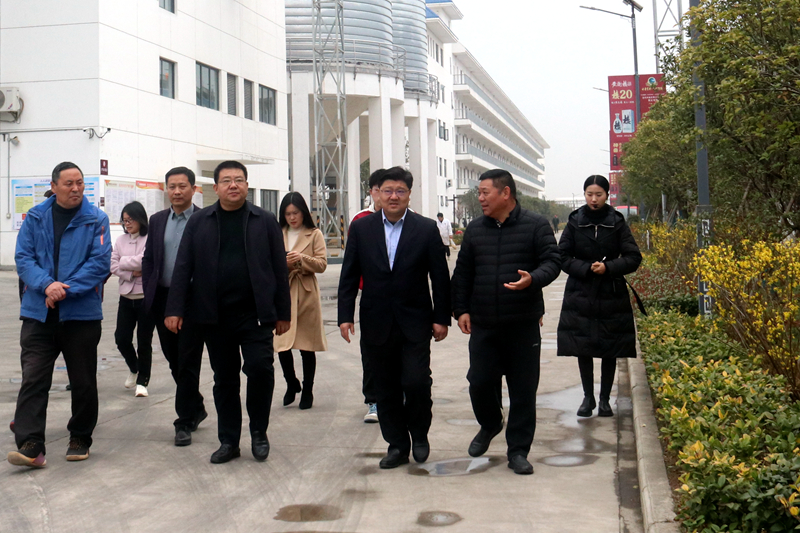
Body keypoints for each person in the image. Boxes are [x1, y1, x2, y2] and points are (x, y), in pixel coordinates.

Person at [165, 160, 291, 464]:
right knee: (224, 379)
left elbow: (278, 267)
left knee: (260, 369)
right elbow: (183, 266)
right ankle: (229, 441)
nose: (233, 185)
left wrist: (283, 312)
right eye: (226, 181)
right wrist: (175, 308)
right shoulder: (200, 222)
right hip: (214, 315)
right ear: (216, 187)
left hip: (256, 315)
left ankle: (258, 433)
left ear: (247, 185)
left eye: (239, 180)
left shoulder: (264, 221)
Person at [338, 166, 451, 469]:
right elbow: (349, 275)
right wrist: (345, 315)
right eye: (387, 190)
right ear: (377, 194)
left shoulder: (425, 229)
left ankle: (420, 434)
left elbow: (440, 278)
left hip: (416, 321)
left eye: (400, 191)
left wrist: (441, 318)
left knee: (416, 382)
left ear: (409, 195)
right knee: (385, 387)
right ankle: (397, 445)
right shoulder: (362, 229)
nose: (393, 196)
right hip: (376, 321)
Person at [451, 169, 560, 475]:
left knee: (523, 390)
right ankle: (490, 423)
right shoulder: (475, 230)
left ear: (505, 193)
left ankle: (518, 451)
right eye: (479, 193)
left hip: (522, 323)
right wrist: (461, 309)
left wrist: (533, 279)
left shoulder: (536, 225)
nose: (480, 198)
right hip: (484, 323)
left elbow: (553, 262)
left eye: (485, 192)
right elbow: (463, 273)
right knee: (479, 382)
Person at [8, 161, 111, 467]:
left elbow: (99, 263)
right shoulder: (35, 217)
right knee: (34, 379)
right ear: (53, 187)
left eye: (80, 183)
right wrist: (46, 285)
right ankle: (31, 444)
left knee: (83, 381)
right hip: (38, 314)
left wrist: (64, 289)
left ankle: (80, 436)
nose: (76, 188)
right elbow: (23, 258)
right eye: (68, 183)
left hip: (80, 315)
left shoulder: (96, 219)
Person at [556, 175, 642, 418]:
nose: (593, 199)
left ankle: (605, 400)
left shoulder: (617, 222)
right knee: (582, 346)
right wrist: (584, 268)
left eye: (599, 195)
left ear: (607, 195)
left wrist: (609, 267)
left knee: (609, 347)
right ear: (584, 194)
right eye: (589, 194)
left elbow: (633, 257)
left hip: (610, 292)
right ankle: (588, 398)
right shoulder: (575, 221)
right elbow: (561, 256)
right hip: (580, 292)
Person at [142, 167, 208, 447]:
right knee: (173, 359)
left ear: (194, 189)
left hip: (193, 300)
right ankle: (197, 405)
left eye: (182, 186)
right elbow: (149, 258)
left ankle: (184, 421)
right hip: (163, 298)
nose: (177, 191)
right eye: (172, 186)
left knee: (188, 359)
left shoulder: (205, 219)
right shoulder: (157, 220)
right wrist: (149, 288)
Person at [275, 192, 327, 410]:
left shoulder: (314, 234)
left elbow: (322, 264)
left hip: (306, 292)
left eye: (295, 213)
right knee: (281, 343)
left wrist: (301, 259)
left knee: (307, 345)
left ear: (303, 212)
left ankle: (308, 390)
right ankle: (291, 382)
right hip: (283, 290)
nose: (292, 218)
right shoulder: (278, 233)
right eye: (288, 214)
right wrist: (284, 264)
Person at [349, 169, 385, 423]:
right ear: (372, 192)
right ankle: (373, 401)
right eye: (379, 190)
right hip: (372, 297)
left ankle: (400, 396)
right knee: (371, 353)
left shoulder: (412, 220)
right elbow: (352, 266)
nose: (385, 195)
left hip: (403, 298)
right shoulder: (360, 221)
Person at [111, 201, 155, 398]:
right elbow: (112, 265)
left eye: (130, 220)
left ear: (140, 219)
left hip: (145, 297)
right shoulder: (120, 240)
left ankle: (142, 381)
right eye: (124, 220)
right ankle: (134, 367)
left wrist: (124, 262)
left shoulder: (150, 238)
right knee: (121, 338)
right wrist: (131, 273)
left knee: (144, 341)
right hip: (126, 297)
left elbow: (145, 261)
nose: (127, 224)